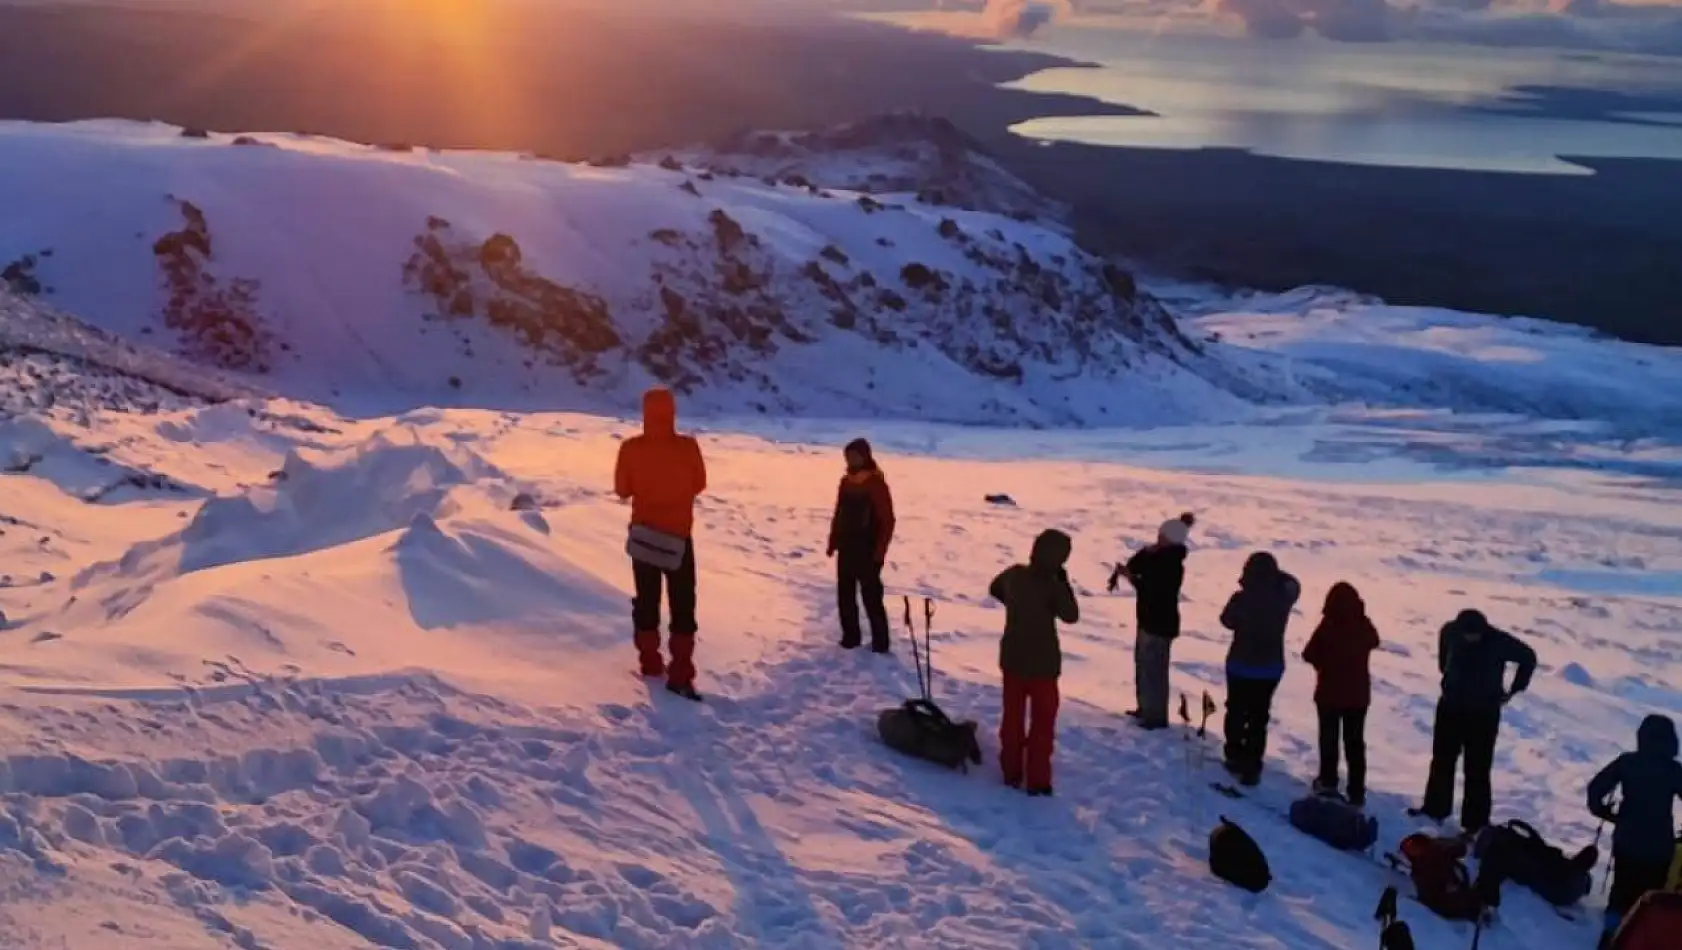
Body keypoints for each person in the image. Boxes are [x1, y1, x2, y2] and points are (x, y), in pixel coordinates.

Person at [614, 387, 708, 701]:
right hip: (678, 538)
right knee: (682, 605)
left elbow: (622, 489)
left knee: (646, 600)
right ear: (672, 413)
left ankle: (650, 662)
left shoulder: (630, 449)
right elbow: (700, 483)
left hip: (644, 538)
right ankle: (681, 670)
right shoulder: (687, 447)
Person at [1416, 609, 1537, 833]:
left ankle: (1475, 823)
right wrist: (1448, 675)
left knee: (1478, 769)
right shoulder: (1449, 631)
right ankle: (1435, 809)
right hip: (1451, 707)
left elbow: (1528, 657)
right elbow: (1444, 659)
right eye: (1467, 635)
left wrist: (1514, 689)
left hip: (1483, 714)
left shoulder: (1498, 641)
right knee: (1442, 761)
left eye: (1475, 635)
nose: (1471, 638)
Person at [990, 529, 1079, 797]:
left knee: (1013, 718)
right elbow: (1071, 615)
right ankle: (1038, 781)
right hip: (1043, 664)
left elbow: (995, 588)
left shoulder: (1015, 575)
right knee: (1042, 723)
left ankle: (1011, 772)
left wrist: (1016, 604)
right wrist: (1063, 584)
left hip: (1013, 658)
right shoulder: (1052, 585)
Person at [1587, 714, 1682, 949]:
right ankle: (1644, 938)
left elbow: (1595, 790)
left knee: (1621, 891)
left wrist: (1608, 814)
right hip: (1660, 847)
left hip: (1627, 840)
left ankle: (1610, 938)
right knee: (1651, 897)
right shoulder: (1674, 770)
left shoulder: (1627, 762)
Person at [1219, 552, 1301, 786]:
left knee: (1235, 711)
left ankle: (1234, 755)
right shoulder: (1282, 598)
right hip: (1270, 668)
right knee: (1258, 718)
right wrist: (1274, 578)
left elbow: (1226, 620)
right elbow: (1294, 584)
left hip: (1240, 665)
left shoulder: (1242, 598)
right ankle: (1252, 767)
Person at [1108, 513, 1195, 730]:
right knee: (1144, 667)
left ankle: (1154, 718)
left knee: (1154, 671)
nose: (1158, 537)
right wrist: (1144, 556)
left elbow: (1150, 588)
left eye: (1162, 534)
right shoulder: (1159, 556)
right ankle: (1145, 709)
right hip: (1149, 620)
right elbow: (1136, 567)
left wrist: (1130, 576)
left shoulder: (1171, 563)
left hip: (1159, 624)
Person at [1302, 582, 1381, 806]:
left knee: (1329, 739)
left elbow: (1309, 653)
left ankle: (1328, 781)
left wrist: (1323, 664)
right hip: (1358, 695)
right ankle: (1356, 791)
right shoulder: (1363, 624)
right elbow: (1374, 641)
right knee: (1355, 743)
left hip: (1329, 693)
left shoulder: (1328, 625)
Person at [826, 438, 896, 653]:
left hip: (868, 549)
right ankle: (850, 637)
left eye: (854, 455)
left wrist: (879, 553)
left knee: (871, 597)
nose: (850, 459)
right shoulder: (846, 482)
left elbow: (887, 520)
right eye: (848, 456)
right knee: (845, 595)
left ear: (865, 456)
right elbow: (839, 513)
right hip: (847, 546)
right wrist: (833, 540)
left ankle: (880, 643)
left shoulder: (876, 483)